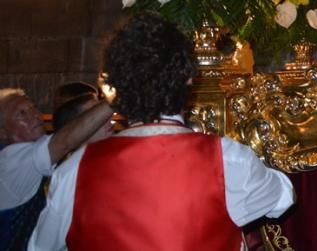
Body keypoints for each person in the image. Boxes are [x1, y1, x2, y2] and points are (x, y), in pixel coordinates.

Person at [28, 13, 295, 250]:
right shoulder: (227, 160)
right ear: (189, 78)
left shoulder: (74, 170)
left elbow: (40, 246)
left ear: (116, 88)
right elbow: (283, 197)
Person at [0, 89, 112, 251]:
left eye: (33, 107)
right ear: (2, 132)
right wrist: (116, 99)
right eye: (22, 113)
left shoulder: (58, 161)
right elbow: (63, 142)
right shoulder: (10, 163)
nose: (34, 114)